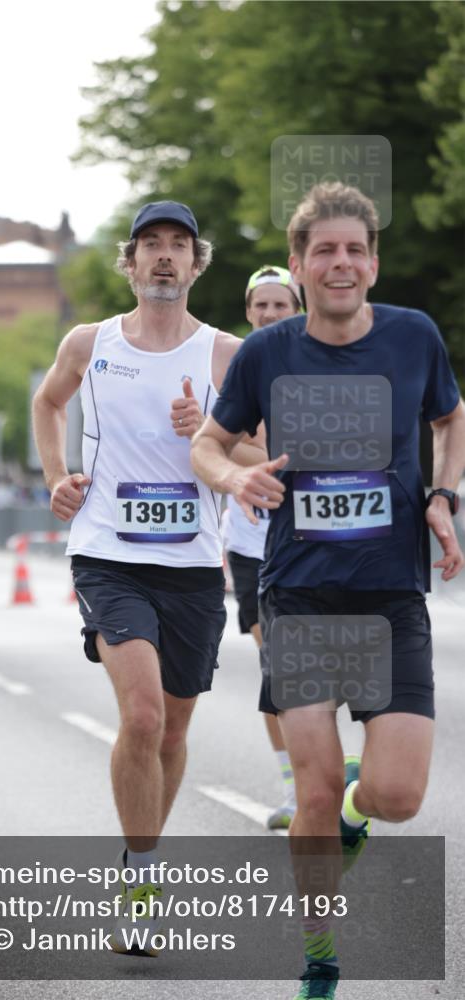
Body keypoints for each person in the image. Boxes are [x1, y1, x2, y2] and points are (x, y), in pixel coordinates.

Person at [191, 182, 465, 999]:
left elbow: (451, 420)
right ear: (302, 265)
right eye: (323, 251)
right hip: (302, 599)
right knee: (306, 788)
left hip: (389, 597)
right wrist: (235, 480)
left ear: (371, 262)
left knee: (396, 796)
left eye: (353, 249)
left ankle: (354, 813)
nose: (339, 263)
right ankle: (318, 953)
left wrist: (442, 496)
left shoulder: (413, 338)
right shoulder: (265, 353)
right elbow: (208, 444)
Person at [32, 200, 264, 955]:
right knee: (141, 719)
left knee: (173, 729)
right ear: (128, 264)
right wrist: (57, 476)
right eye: (149, 246)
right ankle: (140, 881)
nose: (164, 257)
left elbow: (260, 456)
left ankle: (142, 855)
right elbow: (46, 401)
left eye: (178, 246)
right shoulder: (88, 342)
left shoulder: (228, 356)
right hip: (107, 552)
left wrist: (210, 438)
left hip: (194, 563)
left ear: (197, 264)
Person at [225, 266, 302, 829]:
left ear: (298, 308)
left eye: (282, 305)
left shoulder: (320, 362)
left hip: (311, 537)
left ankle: (322, 769)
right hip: (252, 543)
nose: (271, 314)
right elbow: (213, 447)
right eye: (262, 306)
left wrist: (246, 447)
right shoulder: (234, 367)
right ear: (249, 311)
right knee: (275, 662)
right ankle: (296, 787)